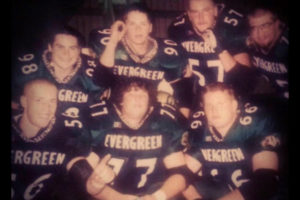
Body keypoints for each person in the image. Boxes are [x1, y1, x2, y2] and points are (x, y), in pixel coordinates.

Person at [87, 78, 193, 200]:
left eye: (143, 95)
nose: (138, 99)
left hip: (151, 194)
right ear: (120, 100)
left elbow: (180, 174)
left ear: (150, 100)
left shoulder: (163, 123)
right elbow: (85, 178)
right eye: (131, 94)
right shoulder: (101, 122)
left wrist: (157, 197)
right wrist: (118, 198)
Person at [181, 82, 282, 200]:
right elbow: (181, 174)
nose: (214, 110)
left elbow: (265, 180)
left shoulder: (256, 123)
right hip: (221, 189)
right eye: (209, 105)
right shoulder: (199, 128)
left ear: (234, 105)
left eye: (220, 104)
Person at [88, 3, 189, 118]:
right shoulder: (113, 47)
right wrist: (113, 41)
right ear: (124, 26)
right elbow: (100, 80)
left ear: (150, 27)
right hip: (113, 111)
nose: (138, 29)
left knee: (164, 98)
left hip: (147, 113)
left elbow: (182, 90)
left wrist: (183, 121)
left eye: (143, 24)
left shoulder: (168, 52)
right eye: (132, 24)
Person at [168, 0, 256, 114]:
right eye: (195, 12)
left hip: (233, 102)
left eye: (206, 10)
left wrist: (219, 49)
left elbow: (246, 83)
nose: (200, 17)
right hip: (199, 104)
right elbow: (183, 81)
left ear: (215, 11)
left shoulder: (231, 27)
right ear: (188, 14)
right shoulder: (178, 29)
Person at [11, 79, 92, 200]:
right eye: (39, 101)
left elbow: (82, 166)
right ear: (24, 101)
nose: (47, 109)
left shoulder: (67, 132)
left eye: (52, 102)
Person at [11, 25, 106, 124]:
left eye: (72, 48)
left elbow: (99, 104)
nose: (66, 54)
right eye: (60, 47)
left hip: (77, 133)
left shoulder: (92, 72)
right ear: (50, 47)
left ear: (79, 50)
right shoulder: (27, 70)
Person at [246, 6, 288, 101]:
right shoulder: (252, 47)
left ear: (277, 24)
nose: (259, 33)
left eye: (264, 26)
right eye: (254, 28)